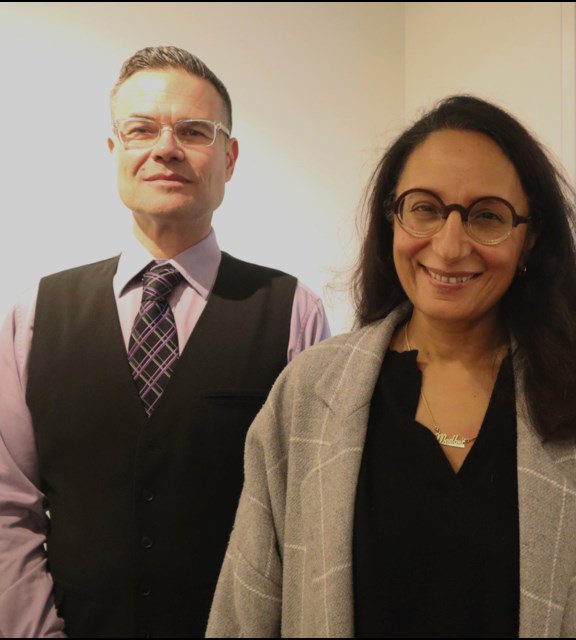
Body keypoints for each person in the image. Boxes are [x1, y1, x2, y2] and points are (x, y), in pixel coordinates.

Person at [205, 95, 576, 637]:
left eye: (487, 216)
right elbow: (247, 607)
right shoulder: (307, 395)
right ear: (390, 218)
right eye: (424, 208)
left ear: (529, 240)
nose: (448, 246)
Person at [0, 46, 330, 637]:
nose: (166, 147)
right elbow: (8, 511)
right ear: (114, 152)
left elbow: (309, 518)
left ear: (228, 158)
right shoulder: (32, 314)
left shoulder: (293, 313)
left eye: (194, 131)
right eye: (142, 129)